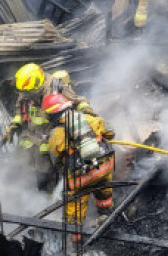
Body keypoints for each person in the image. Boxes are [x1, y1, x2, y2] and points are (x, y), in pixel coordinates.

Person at [2, 63, 96, 191]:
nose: (23, 95)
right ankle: (21, 194)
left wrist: (87, 111)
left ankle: (46, 200)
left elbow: (78, 101)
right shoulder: (26, 91)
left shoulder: (57, 88)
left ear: (36, 86)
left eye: (26, 93)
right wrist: (14, 125)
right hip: (28, 143)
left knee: (46, 181)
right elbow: (20, 110)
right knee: (19, 177)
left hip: (47, 145)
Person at [43, 93, 115, 245]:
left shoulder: (56, 134)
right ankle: (106, 217)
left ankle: (76, 243)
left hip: (81, 178)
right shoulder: (89, 119)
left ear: (52, 115)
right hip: (105, 169)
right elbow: (111, 132)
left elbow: (55, 161)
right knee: (104, 192)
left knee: (74, 209)